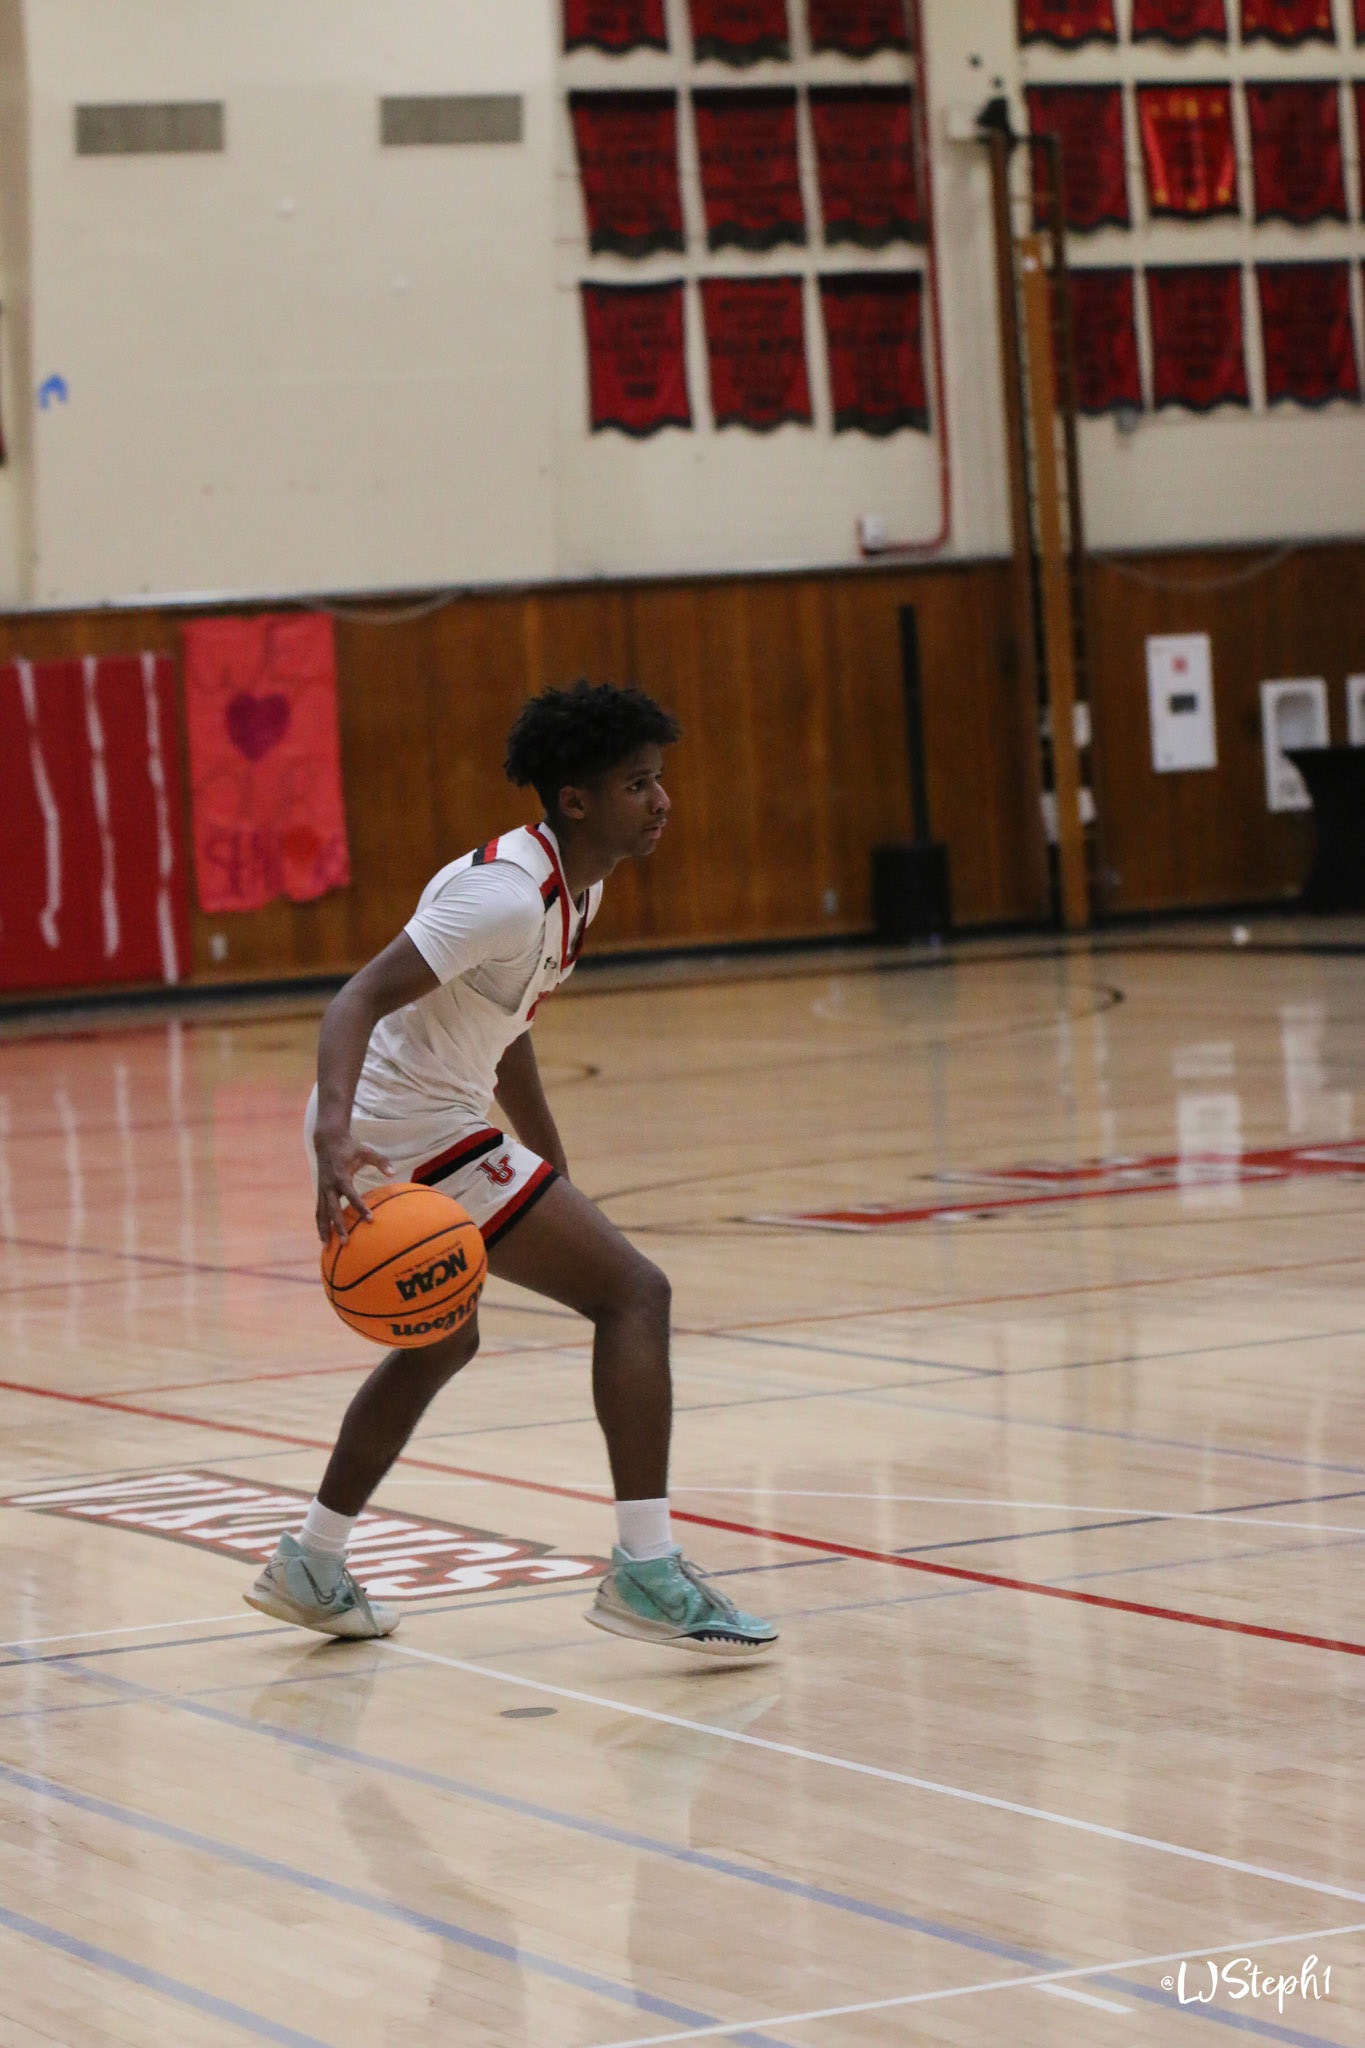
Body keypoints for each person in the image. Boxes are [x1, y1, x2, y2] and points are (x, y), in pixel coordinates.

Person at [245, 680, 777, 1658]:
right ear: (575, 799)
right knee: (634, 1293)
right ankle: (647, 1569)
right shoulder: (502, 897)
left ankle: (310, 1563)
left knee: (442, 1344)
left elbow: (507, 1023)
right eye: (637, 783)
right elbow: (353, 1000)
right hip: (397, 1129)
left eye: (658, 778)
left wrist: (545, 1155)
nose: (661, 800)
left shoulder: (574, 886)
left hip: (418, 1120)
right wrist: (333, 1142)